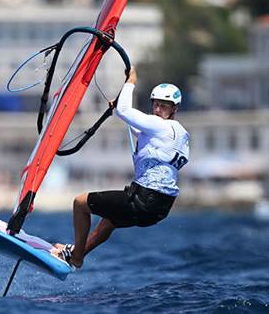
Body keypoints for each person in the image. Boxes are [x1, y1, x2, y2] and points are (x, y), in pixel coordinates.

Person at [53, 67, 190, 269]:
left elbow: (128, 113)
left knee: (80, 203)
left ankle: (76, 257)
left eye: (164, 106)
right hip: (161, 208)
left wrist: (130, 81)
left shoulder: (158, 126)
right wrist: (119, 110)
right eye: (156, 104)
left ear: (174, 109)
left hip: (144, 198)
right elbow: (137, 126)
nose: (158, 109)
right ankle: (76, 254)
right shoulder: (180, 134)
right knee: (109, 220)